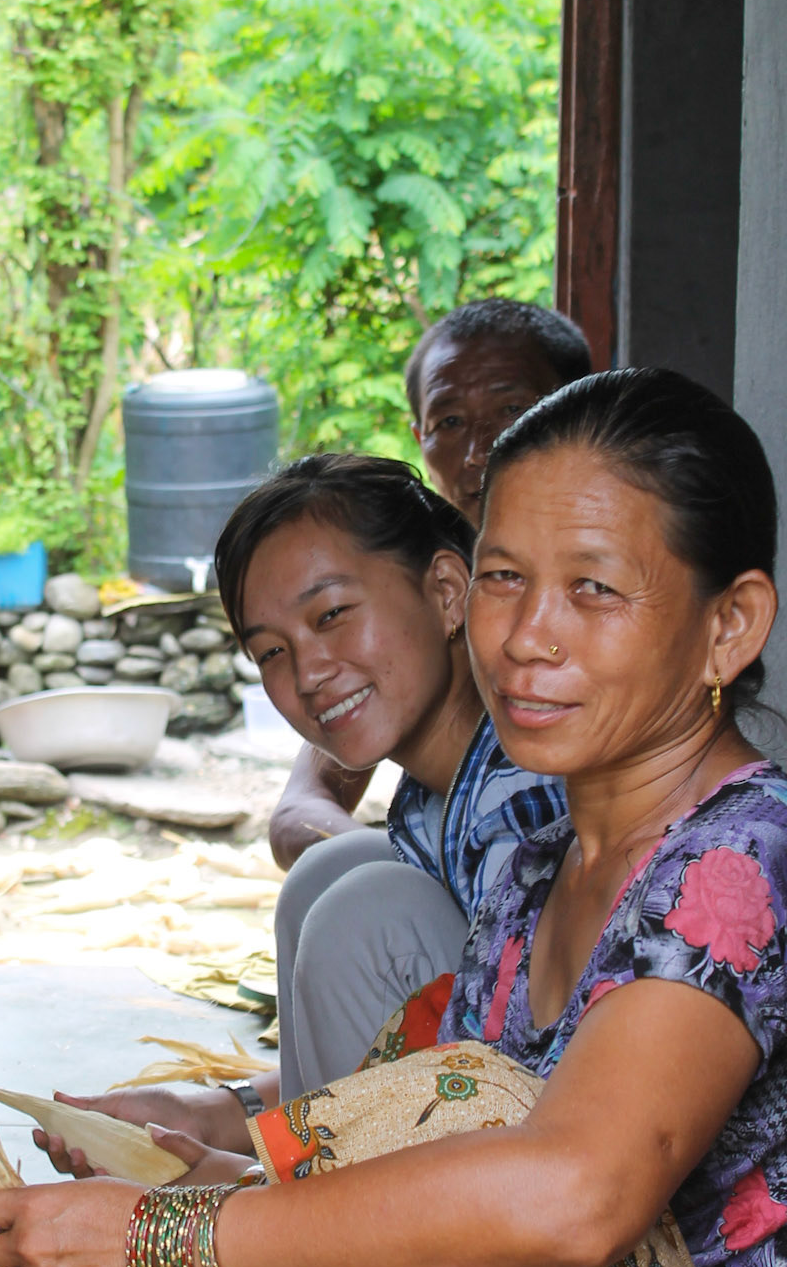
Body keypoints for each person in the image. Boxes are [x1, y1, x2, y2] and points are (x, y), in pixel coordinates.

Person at [0, 368, 787, 1267]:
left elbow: (572, 1200)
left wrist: (177, 1240)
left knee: (450, 1124)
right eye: (509, 580)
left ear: (726, 626)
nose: (528, 637)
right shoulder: (532, 878)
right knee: (416, 1156)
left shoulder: (742, 860)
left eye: (593, 589)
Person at [41, 454, 566, 1170]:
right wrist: (226, 1113)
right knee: (336, 867)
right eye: (271, 652)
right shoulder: (433, 797)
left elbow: (566, 1089)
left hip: (585, 1205)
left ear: (446, 592)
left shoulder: (522, 797)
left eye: (331, 615)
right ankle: (306, 1194)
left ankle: (317, 1231)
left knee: (367, 911)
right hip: (504, 1137)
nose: (308, 672)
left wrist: (227, 1190)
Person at [270, 298, 591, 869]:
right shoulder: (417, 594)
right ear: (419, 437)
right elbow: (301, 808)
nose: (479, 451)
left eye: (513, 409)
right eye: (449, 423)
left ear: (580, 407)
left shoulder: (614, 584)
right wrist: (397, 882)